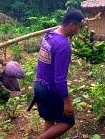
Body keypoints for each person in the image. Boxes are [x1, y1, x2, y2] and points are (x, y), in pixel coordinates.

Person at [33, 8, 85, 139]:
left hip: (39, 85)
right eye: (78, 27)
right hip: (50, 90)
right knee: (67, 122)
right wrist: (67, 102)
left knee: (49, 120)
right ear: (72, 25)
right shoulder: (63, 46)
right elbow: (60, 79)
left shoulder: (49, 35)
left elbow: (68, 33)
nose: (78, 30)